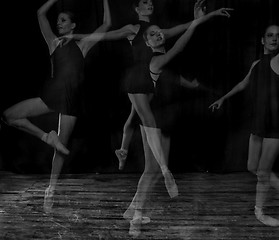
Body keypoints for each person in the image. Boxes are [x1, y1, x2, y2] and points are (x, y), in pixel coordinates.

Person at [127, 6, 233, 237]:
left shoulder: (163, 64)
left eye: (158, 32)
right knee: (151, 169)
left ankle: (133, 210)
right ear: (146, 43)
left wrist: (207, 16)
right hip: (154, 121)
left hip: (167, 120)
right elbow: (179, 47)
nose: (157, 35)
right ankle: (135, 220)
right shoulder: (155, 61)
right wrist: (196, 23)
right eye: (151, 34)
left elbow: (174, 78)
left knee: (154, 170)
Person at [1, 0, 111, 213]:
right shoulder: (53, 42)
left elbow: (106, 24)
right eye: (58, 21)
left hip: (72, 101)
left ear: (73, 26)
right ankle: (45, 137)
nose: (59, 24)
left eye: (63, 21)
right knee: (9, 116)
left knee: (60, 149)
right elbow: (41, 13)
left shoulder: (82, 45)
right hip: (52, 95)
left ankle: (51, 189)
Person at [209, 24, 279, 227]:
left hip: (274, 126)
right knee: (252, 167)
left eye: (278, 36)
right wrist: (223, 98)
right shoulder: (257, 64)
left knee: (263, 173)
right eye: (270, 35)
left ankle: (260, 212)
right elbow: (243, 83)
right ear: (262, 40)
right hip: (258, 122)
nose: (275, 39)